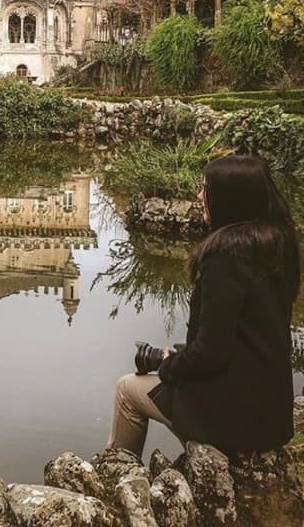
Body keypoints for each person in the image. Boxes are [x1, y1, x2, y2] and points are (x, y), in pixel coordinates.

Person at [108, 154, 300, 458]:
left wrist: (168, 366)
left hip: (237, 415)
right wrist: (181, 354)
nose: (200, 196)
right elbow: (244, 334)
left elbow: (212, 353)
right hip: (270, 413)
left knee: (127, 389)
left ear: (229, 198)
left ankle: (117, 475)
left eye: (206, 189)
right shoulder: (279, 244)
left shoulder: (226, 257)